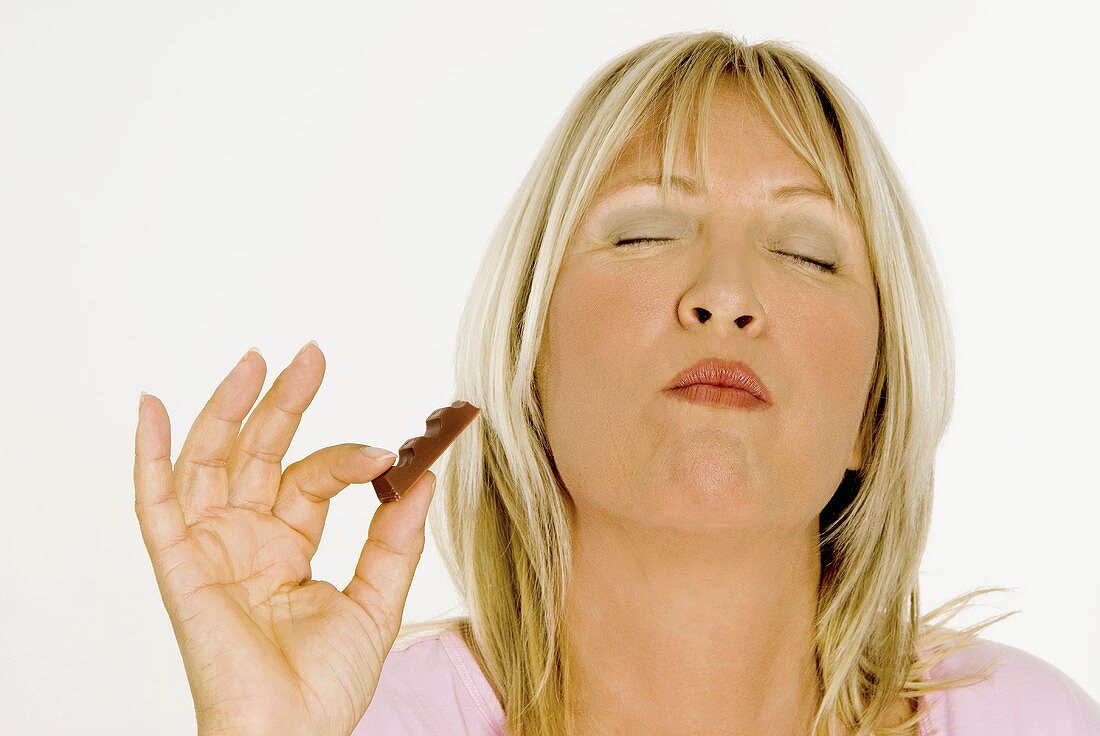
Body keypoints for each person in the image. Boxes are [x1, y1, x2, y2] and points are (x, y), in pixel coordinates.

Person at [133, 30, 1100, 736]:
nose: (724, 295)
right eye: (643, 235)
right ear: (527, 366)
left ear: (873, 414)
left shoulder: (1030, 723)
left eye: (806, 254)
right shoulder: (357, 727)